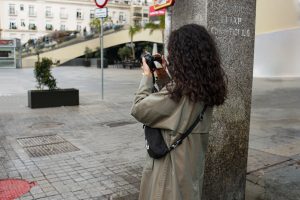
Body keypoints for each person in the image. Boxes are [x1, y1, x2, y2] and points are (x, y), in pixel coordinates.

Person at [131, 24, 227, 200]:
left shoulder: (180, 91)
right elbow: (174, 105)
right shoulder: (205, 89)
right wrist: (162, 75)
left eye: (173, 53)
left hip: (168, 179)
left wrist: (146, 77)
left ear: (182, 57)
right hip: (189, 174)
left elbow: (139, 108)